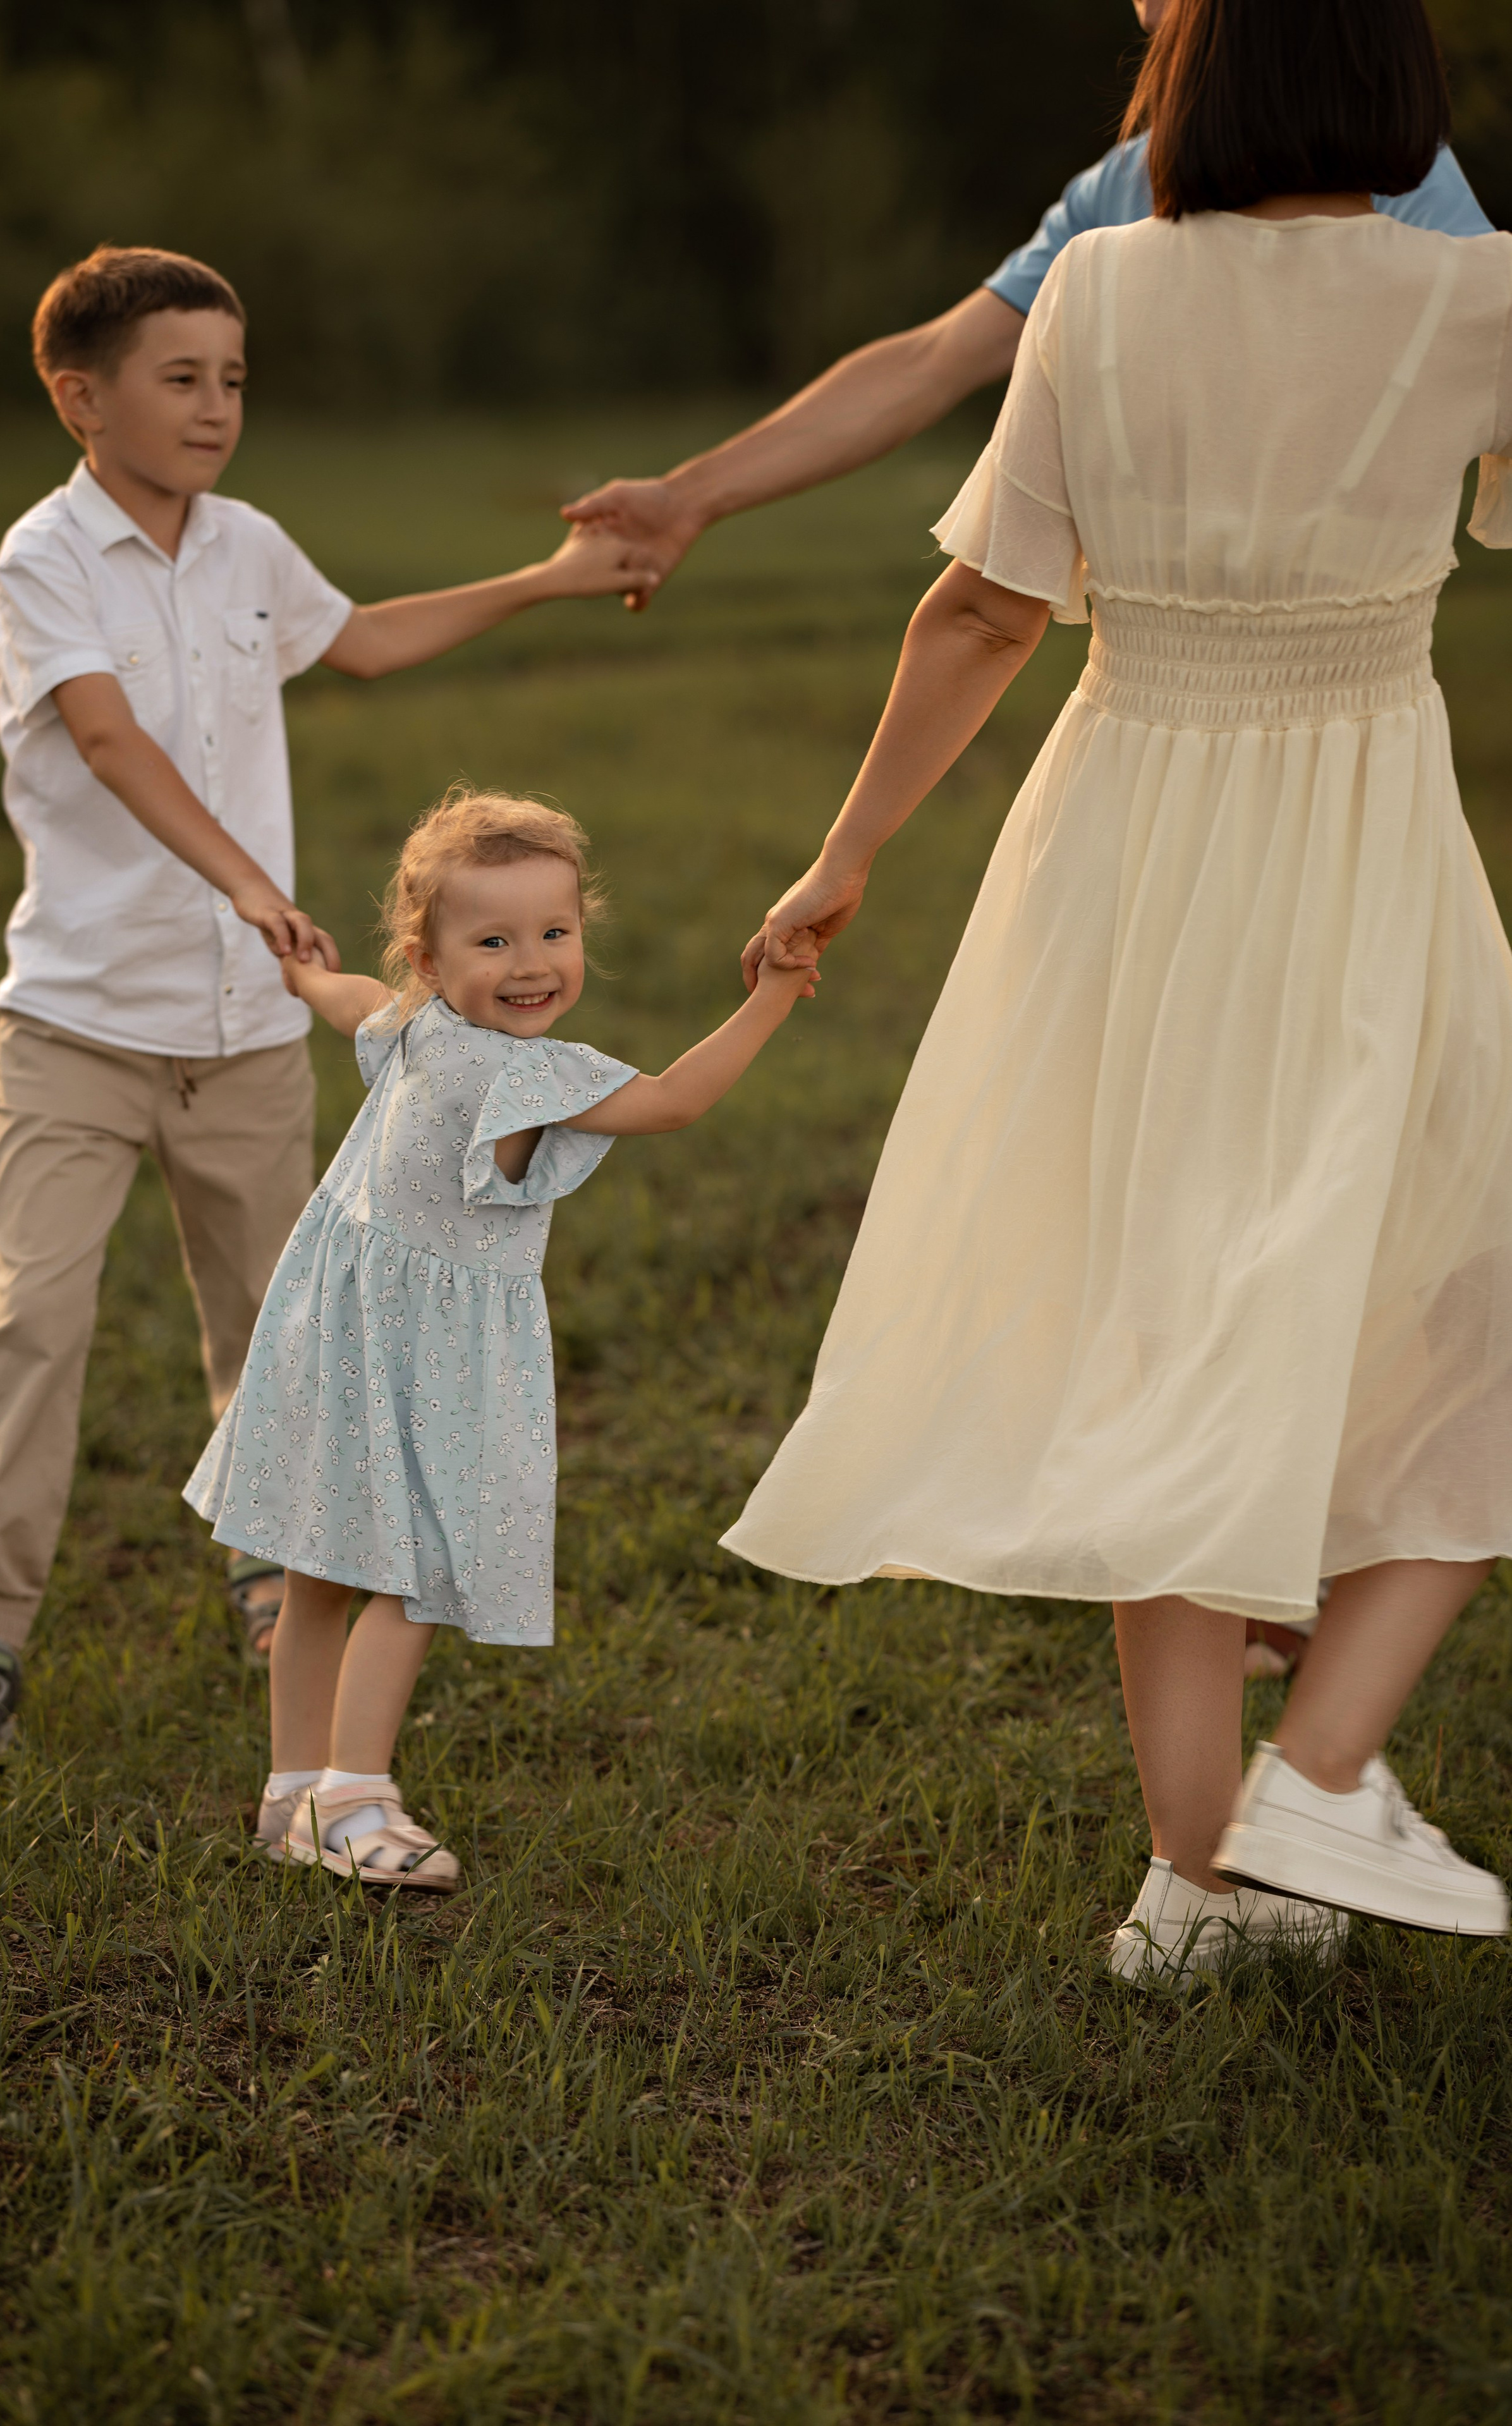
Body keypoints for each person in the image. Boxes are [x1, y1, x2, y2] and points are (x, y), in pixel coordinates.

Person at [721, 0, 1512, 1978]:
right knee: (1476, 1285)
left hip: (1126, 846)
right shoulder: (1482, 299)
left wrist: (844, 857)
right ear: (1399, 92)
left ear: (1201, 84)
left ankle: (1196, 1876)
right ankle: (1315, 1768)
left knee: (1168, 1314)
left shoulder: (1097, 291)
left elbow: (985, 604)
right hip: (1360, 851)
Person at [0, 247, 657, 1762]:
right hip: (78, 1025)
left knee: (279, 1328)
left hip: (248, 1042)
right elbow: (109, 740)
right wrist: (252, 883)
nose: (214, 407)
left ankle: (274, 1568)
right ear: (79, 395)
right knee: (34, 1320)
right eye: (179, 378)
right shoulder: (41, 561)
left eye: (231, 378)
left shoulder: (246, 547)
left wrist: (552, 577)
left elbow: (365, 640)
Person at [183, 788, 816, 1885]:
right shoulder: (523, 1067)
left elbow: (343, 999)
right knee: (414, 1568)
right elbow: (671, 1101)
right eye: (494, 941)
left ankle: (291, 1794)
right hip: (429, 1356)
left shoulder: (415, 1027)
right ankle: (351, 1796)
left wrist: (296, 967)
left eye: (555, 934)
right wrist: (773, 999)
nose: (533, 964)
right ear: (430, 961)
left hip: (339, 1328)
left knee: (322, 1566)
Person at [561, 0, 1491, 609]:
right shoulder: (1118, 194)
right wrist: (687, 498)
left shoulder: (1395, 184)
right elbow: (933, 361)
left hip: (1344, 675)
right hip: (1150, 685)